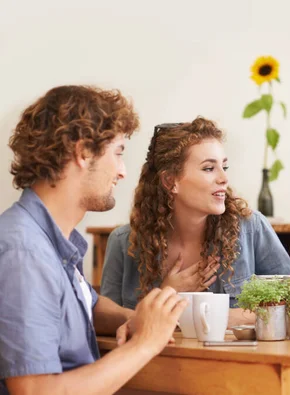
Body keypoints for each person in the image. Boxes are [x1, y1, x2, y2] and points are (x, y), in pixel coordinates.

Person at [0, 85, 187, 395]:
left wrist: (137, 318)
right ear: (83, 152)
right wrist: (144, 345)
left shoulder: (49, 241)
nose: (123, 172)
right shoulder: (25, 252)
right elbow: (36, 392)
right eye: (118, 153)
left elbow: (87, 303)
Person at [101, 117, 290, 327]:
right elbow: (107, 326)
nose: (224, 179)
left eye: (224, 167)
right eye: (209, 168)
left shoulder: (251, 228)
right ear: (170, 181)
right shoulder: (122, 243)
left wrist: (213, 316)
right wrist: (167, 294)